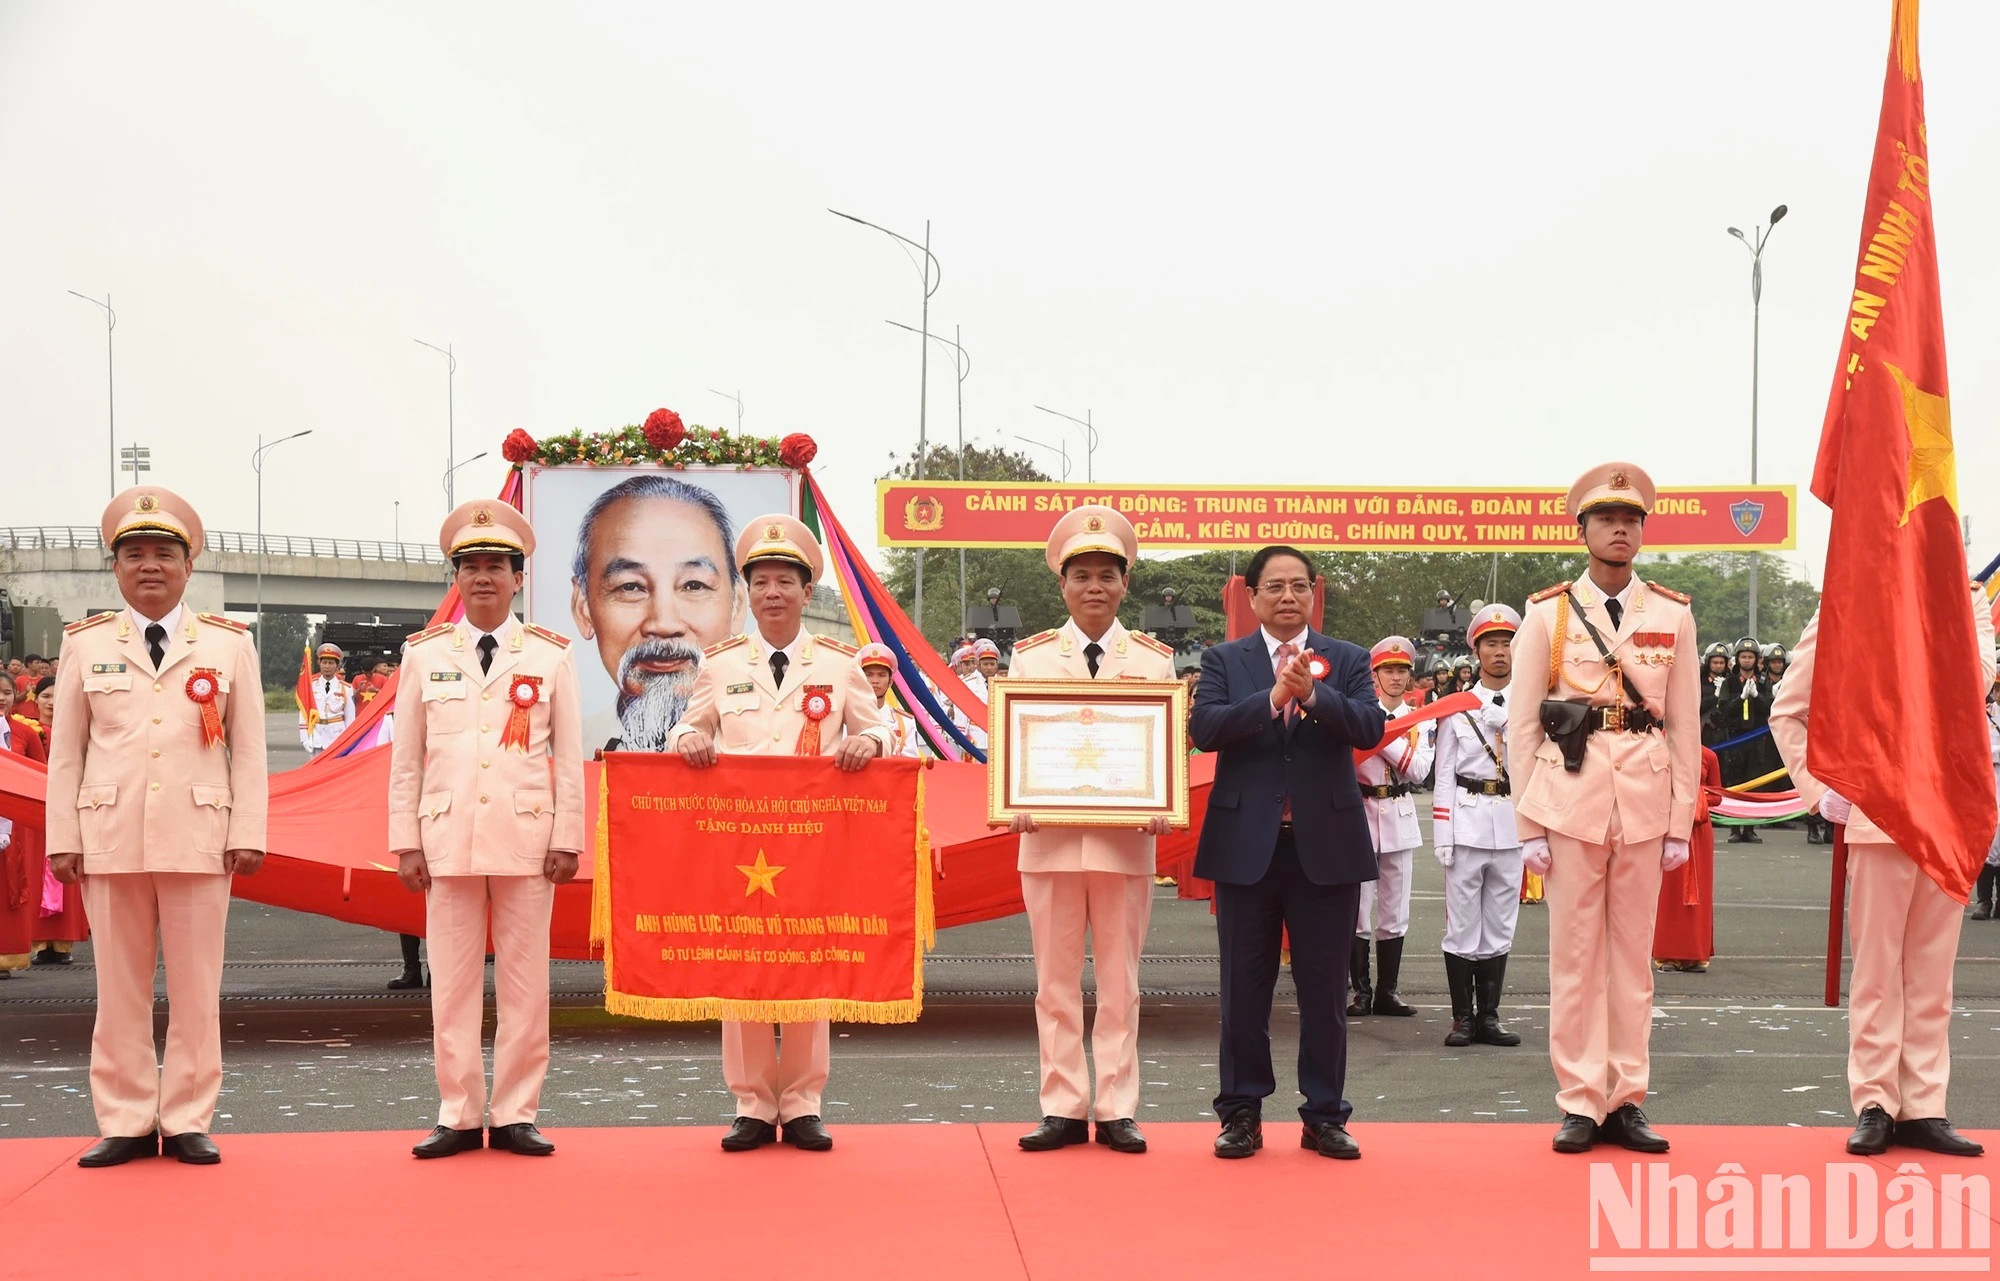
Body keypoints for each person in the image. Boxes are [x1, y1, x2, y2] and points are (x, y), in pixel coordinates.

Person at [45, 486, 268, 1167]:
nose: (150, 565)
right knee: (119, 992)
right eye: (135, 553)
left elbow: (249, 749)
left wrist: (247, 830)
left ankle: (189, 1117)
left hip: (200, 836)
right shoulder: (84, 643)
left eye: (164, 554)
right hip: (110, 836)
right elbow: (67, 752)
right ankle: (127, 1119)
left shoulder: (228, 644)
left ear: (187, 566)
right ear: (115, 568)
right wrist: (62, 837)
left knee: (198, 991)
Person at [671, 514, 892, 1153]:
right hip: (739, 842)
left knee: (806, 965)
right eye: (762, 582)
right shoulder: (720, 665)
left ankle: (801, 1103)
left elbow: (879, 727)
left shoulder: (840, 664)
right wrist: (685, 739)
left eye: (785, 581)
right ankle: (751, 1103)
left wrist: (870, 744)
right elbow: (688, 727)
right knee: (741, 967)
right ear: (748, 592)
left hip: (814, 844)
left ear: (806, 590)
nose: (773, 592)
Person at [1507, 462, 1697, 1156]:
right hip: (1570, 798)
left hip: (1645, 799)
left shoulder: (1672, 612)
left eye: (1631, 520)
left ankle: (1627, 1097)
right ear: (1582, 530)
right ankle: (1581, 1099)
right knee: (1575, 960)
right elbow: (1522, 726)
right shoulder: (1547, 613)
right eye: (1607, 519)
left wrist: (1680, 821)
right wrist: (1528, 824)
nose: (1621, 530)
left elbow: (1685, 725)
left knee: (1632, 962)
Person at [388, 500, 584, 1160]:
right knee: (452, 985)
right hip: (446, 840)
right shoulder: (423, 655)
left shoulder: (551, 656)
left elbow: (568, 759)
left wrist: (567, 837)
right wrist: (405, 841)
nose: (482, 577)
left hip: (527, 841)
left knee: (526, 985)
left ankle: (517, 1112)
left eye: (495, 566)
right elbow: (406, 758)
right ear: (457, 578)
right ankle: (459, 1112)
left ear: (517, 578)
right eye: (470, 566)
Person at [1770, 588, 1995, 1157]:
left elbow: (1977, 679)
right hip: (1878, 814)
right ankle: (1875, 1101)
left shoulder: (1961, 597)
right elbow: (1788, 710)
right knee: (1877, 969)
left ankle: (1924, 1105)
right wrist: (1819, 790)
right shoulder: (1850, 594)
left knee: (1932, 974)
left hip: (1947, 816)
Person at [1191, 544, 1387, 1161]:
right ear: (1251, 597)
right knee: (1242, 990)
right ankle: (1240, 1113)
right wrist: (1274, 699)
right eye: (1273, 586)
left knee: (1324, 992)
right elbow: (1205, 730)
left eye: (1298, 585)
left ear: (1313, 594)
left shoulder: (1347, 658)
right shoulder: (1223, 659)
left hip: (1324, 848)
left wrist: (1316, 697)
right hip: (1246, 847)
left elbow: (1370, 727)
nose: (1287, 596)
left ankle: (1324, 1115)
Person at [1004, 506, 1178, 1156]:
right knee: (1053, 985)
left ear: (1125, 584)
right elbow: (1014, 745)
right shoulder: (1030, 659)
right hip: (1047, 840)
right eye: (1082, 575)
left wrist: (1163, 798)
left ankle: (1116, 1106)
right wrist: (1015, 794)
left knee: (1119, 985)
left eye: (1107, 575)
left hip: (1124, 844)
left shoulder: (1154, 663)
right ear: (1063, 584)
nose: (1094, 586)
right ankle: (1062, 1105)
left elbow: (1165, 749)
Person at [568, 473, 746, 751]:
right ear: (583, 607)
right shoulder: (568, 750)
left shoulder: (761, 748)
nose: (664, 624)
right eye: (630, 587)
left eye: (694, 585)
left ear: (738, 604)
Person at [1432, 604, 1526, 1047]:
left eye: (1507, 643)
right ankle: (1462, 1018)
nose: (1500, 652)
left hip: (1512, 822)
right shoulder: (1457, 707)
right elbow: (1444, 774)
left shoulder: (1531, 702)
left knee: (1501, 924)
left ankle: (1489, 1016)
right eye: (1492, 644)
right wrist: (1443, 833)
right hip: (1467, 821)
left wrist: (1508, 724)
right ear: (1477, 651)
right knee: (1463, 925)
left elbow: (1543, 760)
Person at [1349, 636, 1431, 1019]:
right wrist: (1374, 728)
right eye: (1388, 670)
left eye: (1401, 671)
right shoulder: (1358, 715)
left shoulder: (1421, 720)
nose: (1395, 677)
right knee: (1357, 909)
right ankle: (1361, 992)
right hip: (1361, 813)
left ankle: (1387, 991)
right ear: (1375, 675)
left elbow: (1419, 770)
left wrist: (1378, 735)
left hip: (1399, 812)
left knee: (1395, 909)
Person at [1654, 746, 1721, 973]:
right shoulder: (1656, 748)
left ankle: (1695, 955)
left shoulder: (1708, 756)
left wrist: (1694, 796)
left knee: (1699, 890)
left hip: (1698, 829)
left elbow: (1717, 796)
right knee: (1667, 891)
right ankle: (1667, 954)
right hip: (1666, 823)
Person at [0, 675, 48, 978]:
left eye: (6, 692)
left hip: (13, 828)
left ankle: (6, 953)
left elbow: (39, 777)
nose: (1, 698)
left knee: (9, 890)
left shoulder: (24, 732)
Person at [1721, 638, 1770, 844]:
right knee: (1735, 782)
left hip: (1756, 738)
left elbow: (1769, 708)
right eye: (1743, 656)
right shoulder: (1729, 683)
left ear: (1756, 659)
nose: (1747, 660)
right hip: (1735, 739)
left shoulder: (1763, 682)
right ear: (1737, 659)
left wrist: (1756, 696)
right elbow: (1724, 710)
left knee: (1754, 781)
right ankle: (1734, 828)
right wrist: (1740, 698)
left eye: (1750, 657)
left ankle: (1750, 828)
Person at [856, 643, 922, 758]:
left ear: (890, 682)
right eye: (869, 675)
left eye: (881, 675)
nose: (875, 681)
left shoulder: (905, 722)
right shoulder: (845, 718)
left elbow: (911, 763)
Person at [299, 643, 355, 756]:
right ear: (319, 663)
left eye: (331, 663)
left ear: (337, 666)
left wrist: (349, 740)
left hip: (337, 738)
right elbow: (304, 713)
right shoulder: (310, 686)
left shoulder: (346, 688)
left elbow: (350, 718)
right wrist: (304, 737)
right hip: (316, 737)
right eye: (324, 662)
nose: (327, 666)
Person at [1977, 666, 2000, 920]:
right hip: (1989, 783)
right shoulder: (1983, 715)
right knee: (1986, 842)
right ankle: (1984, 901)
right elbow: (1978, 747)